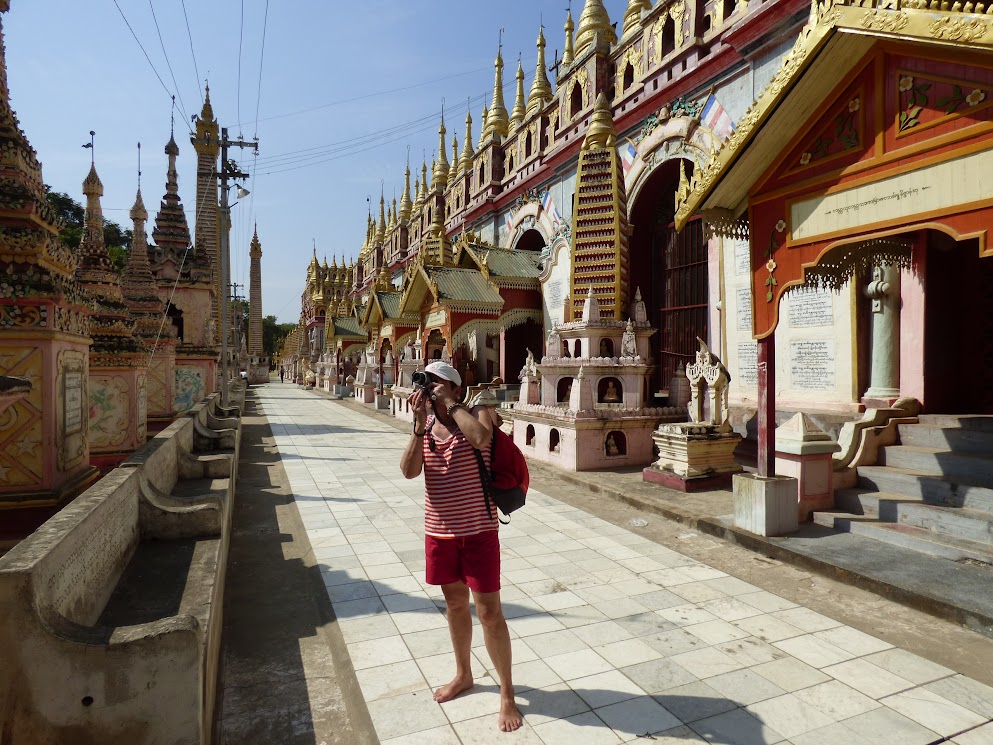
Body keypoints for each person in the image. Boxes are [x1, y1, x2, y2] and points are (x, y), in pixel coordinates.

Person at [399, 361, 522, 733]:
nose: (427, 387)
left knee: (489, 614)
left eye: (435, 382)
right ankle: (463, 674)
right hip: (439, 533)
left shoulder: (477, 410)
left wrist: (450, 404)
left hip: (478, 532)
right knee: (455, 605)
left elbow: (482, 439)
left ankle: (507, 694)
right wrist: (420, 424)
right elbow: (408, 471)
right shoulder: (424, 426)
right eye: (425, 382)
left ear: (453, 386)